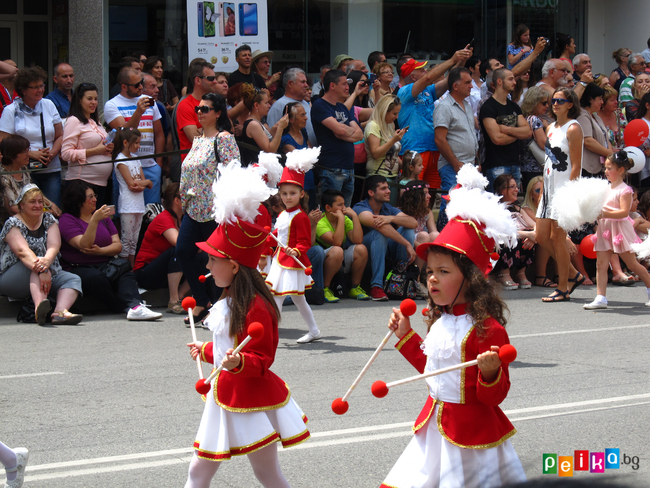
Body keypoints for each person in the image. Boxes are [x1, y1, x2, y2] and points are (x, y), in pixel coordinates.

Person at [379, 178, 525, 488]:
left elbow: (495, 396)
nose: (432, 279)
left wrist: (489, 374)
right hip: (433, 427)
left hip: (471, 438)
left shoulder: (488, 329)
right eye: (430, 271)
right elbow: (434, 370)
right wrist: (405, 335)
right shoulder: (440, 318)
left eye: (444, 272)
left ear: (471, 279)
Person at [184, 210, 309, 488]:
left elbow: (262, 358)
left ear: (234, 266)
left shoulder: (257, 306)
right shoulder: (228, 300)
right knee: (198, 471)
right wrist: (206, 350)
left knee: (267, 474)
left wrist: (239, 362)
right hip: (224, 395)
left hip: (250, 399)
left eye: (213, 260)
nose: (207, 266)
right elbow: (228, 347)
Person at [58, 180, 162, 320]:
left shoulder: (103, 217)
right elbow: (84, 245)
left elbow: (117, 246)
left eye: (94, 195)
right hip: (78, 266)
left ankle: (136, 305)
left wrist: (100, 251)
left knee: (124, 268)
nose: (95, 199)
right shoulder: (67, 219)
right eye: (90, 197)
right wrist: (94, 221)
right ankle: (127, 307)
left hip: (104, 262)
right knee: (96, 278)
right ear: (78, 201)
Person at [178, 93, 239, 324]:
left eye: (205, 109)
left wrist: (227, 207)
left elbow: (233, 174)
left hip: (215, 210)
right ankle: (202, 300)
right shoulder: (198, 138)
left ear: (218, 113)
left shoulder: (223, 139)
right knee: (183, 250)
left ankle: (219, 307)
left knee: (216, 260)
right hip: (193, 209)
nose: (200, 113)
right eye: (198, 109)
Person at [0, 184, 83, 325]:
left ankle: (59, 312)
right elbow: (23, 252)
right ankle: (40, 309)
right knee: (35, 265)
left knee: (72, 279)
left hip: (45, 269)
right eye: (32, 202)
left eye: (40, 202)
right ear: (21, 205)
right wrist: (42, 268)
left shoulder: (48, 220)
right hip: (13, 276)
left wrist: (46, 263)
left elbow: (54, 246)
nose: (38, 205)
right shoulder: (12, 223)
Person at [265, 150, 322, 343]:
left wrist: (296, 250)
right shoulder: (282, 215)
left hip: (292, 261)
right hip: (280, 260)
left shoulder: (301, 217)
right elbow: (278, 236)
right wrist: (265, 239)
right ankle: (313, 330)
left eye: (292, 193)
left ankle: (270, 335)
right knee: (293, 298)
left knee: (279, 297)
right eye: (284, 194)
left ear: (301, 194)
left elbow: (305, 242)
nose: (288, 197)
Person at [397, 48, 472, 190]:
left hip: (434, 150)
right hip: (415, 150)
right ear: (413, 76)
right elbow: (428, 78)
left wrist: (462, 59)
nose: (425, 71)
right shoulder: (404, 91)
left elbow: (450, 79)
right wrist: (452, 60)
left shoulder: (427, 91)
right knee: (413, 194)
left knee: (430, 195)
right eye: (421, 69)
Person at [536, 87, 585, 302]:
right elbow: (548, 162)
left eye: (560, 100)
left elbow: (576, 166)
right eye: (553, 100)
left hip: (563, 189)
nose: (555, 104)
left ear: (570, 104)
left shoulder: (573, 128)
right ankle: (573, 274)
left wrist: (569, 193)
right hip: (548, 188)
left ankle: (563, 286)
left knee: (557, 238)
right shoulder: (551, 128)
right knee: (540, 236)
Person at [585, 151, 650, 310]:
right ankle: (601, 298)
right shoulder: (605, 187)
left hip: (620, 229)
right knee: (601, 263)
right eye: (605, 167)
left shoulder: (625, 190)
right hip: (605, 227)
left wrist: (603, 213)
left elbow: (624, 212)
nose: (606, 171)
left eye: (609, 168)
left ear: (620, 170)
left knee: (632, 264)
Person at [0, 66, 64, 206]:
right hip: (23, 170)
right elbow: (4, 143)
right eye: (35, 87)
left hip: (51, 168)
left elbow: (60, 135)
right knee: (29, 208)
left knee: (51, 208)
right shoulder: (11, 111)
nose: (40, 90)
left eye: (42, 85)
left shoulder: (49, 104)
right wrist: (30, 154)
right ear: (23, 90)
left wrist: (52, 153)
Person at [104, 67, 164, 205]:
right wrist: (138, 112)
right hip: (126, 166)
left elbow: (159, 133)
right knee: (127, 210)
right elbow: (123, 134)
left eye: (141, 82)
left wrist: (158, 163)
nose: (141, 87)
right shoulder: (112, 105)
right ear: (124, 86)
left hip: (150, 165)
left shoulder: (148, 100)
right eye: (137, 85)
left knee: (152, 211)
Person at [353, 175, 417, 301]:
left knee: (407, 230)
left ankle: (400, 280)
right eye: (383, 189)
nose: (389, 191)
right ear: (371, 192)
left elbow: (413, 222)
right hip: (362, 258)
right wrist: (407, 244)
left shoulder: (387, 208)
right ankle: (376, 287)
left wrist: (392, 218)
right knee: (379, 232)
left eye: (388, 188)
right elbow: (378, 226)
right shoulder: (360, 207)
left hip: (384, 254)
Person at [434, 67, 479, 229]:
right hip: (452, 167)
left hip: (468, 166)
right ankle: (443, 243)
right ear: (455, 86)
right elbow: (439, 139)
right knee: (451, 206)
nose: (471, 86)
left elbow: (471, 135)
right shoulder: (444, 107)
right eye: (467, 82)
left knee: (465, 208)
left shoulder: (467, 105)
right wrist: (454, 163)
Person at [310, 69, 363, 206]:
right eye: (344, 84)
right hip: (332, 169)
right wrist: (342, 130)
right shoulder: (320, 105)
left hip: (349, 168)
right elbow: (340, 129)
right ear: (332, 85)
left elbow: (360, 134)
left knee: (345, 213)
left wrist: (343, 134)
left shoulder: (342, 107)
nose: (348, 87)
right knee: (330, 212)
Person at [134, 183, 189, 314]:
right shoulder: (163, 218)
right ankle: (173, 300)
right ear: (177, 200)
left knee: (203, 257)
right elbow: (178, 242)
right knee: (178, 251)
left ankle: (181, 297)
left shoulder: (184, 219)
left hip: (166, 271)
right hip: (145, 272)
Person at [479, 68, 532, 191]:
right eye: (510, 79)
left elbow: (528, 132)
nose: (514, 82)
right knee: (497, 203)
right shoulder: (488, 107)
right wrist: (518, 133)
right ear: (499, 81)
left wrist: (506, 130)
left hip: (515, 164)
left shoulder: (514, 106)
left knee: (513, 202)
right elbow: (497, 138)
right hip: (496, 165)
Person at [61, 82, 113, 205]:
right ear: (79, 100)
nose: (93, 102)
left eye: (95, 99)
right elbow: (66, 154)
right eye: (89, 99)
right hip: (81, 182)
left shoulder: (96, 122)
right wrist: (95, 151)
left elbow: (101, 146)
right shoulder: (74, 121)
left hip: (101, 182)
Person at [315, 188, 369, 302]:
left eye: (344, 204)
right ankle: (325, 288)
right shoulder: (320, 221)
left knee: (361, 249)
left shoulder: (344, 218)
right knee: (337, 250)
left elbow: (358, 240)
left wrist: (354, 217)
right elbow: (337, 242)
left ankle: (355, 288)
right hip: (323, 260)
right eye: (340, 205)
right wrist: (340, 219)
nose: (344, 208)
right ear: (328, 208)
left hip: (339, 258)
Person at [0, 135, 60, 227]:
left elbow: (32, 191)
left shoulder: (23, 169)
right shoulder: (3, 176)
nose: (28, 154)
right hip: (12, 223)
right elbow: (13, 208)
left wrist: (51, 204)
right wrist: (44, 212)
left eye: (28, 150)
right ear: (12, 156)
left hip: (30, 216)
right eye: (24, 152)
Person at [112, 128, 151, 266]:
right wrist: (144, 183)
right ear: (125, 142)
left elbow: (144, 182)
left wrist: (143, 183)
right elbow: (131, 184)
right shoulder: (120, 160)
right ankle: (123, 271)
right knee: (126, 240)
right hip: (127, 205)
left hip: (139, 204)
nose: (138, 146)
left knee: (134, 241)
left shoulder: (135, 159)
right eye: (136, 143)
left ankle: (132, 271)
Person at [492, 174, 536, 289]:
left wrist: (533, 236)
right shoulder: (495, 207)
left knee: (529, 237)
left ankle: (521, 273)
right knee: (509, 239)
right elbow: (500, 231)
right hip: (502, 240)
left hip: (520, 238)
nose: (517, 190)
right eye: (512, 187)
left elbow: (534, 225)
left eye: (516, 186)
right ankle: (503, 274)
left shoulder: (518, 208)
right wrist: (528, 234)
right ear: (502, 190)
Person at [364, 94, 404, 204]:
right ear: (384, 111)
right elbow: (375, 153)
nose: (396, 117)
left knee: (390, 212)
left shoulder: (390, 125)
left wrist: (406, 166)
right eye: (394, 113)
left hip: (393, 178)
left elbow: (393, 154)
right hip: (378, 179)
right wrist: (393, 140)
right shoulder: (373, 125)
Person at [238, 85, 289, 166]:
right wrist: (280, 128)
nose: (269, 105)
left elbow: (264, 141)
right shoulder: (253, 124)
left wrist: (274, 129)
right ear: (256, 105)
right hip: (258, 170)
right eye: (266, 103)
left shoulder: (256, 122)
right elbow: (270, 149)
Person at [396, 180, 439, 276]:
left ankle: (433, 273)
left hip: (421, 245)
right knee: (423, 235)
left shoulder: (427, 212)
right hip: (405, 245)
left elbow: (434, 233)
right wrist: (421, 247)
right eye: (425, 194)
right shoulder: (399, 212)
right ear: (416, 197)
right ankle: (416, 277)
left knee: (435, 235)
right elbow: (401, 234)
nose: (429, 196)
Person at [280, 102, 316, 209]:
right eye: (302, 115)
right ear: (291, 120)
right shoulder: (286, 140)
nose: (306, 118)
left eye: (305, 114)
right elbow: (301, 159)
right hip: (298, 186)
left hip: (310, 181)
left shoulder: (303, 132)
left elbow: (311, 151)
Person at [577, 83, 612, 177]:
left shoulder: (596, 117)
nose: (602, 102)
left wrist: (610, 153)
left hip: (599, 167)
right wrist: (609, 153)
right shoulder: (582, 115)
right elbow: (587, 141)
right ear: (590, 99)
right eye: (599, 99)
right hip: (588, 168)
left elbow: (605, 138)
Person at [520, 86, 550, 190]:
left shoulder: (523, 119)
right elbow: (543, 144)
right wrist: (547, 127)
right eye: (544, 103)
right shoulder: (535, 120)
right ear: (534, 103)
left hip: (525, 167)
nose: (547, 106)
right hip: (536, 168)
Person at [599, 85, 626, 150]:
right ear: (602, 103)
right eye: (612, 100)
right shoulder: (594, 118)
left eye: (616, 99)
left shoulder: (620, 116)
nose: (616, 102)